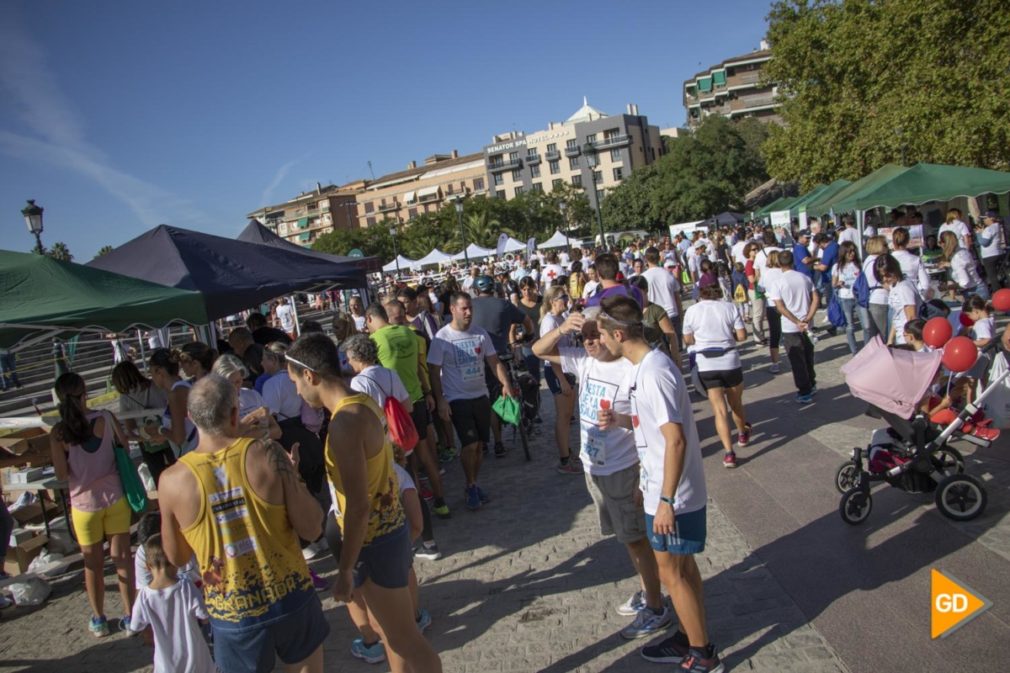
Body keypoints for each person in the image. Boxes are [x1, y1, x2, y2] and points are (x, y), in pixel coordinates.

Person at [285, 333, 444, 673]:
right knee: (395, 636)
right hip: (388, 531)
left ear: (310, 376)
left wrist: (344, 570)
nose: (296, 392)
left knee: (405, 639)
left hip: (373, 541)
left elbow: (358, 505)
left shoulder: (344, 422)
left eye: (296, 382)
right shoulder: (359, 401)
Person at [158, 376, 328, 673]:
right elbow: (313, 528)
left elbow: (177, 557)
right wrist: (295, 481)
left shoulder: (171, 481)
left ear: (189, 418)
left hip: (232, 611)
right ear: (235, 413)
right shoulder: (268, 453)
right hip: (291, 597)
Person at [594, 295, 723, 673]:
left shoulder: (654, 371)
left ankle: (703, 654)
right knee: (682, 569)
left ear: (619, 333)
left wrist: (665, 498)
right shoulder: (642, 368)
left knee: (673, 573)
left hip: (675, 495)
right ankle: (688, 635)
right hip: (658, 488)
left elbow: (676, 439)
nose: (600, 341)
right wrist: (621, 421)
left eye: (602, 334)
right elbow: (651, 428)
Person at [531, 308, 671, 636]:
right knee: (628, 539)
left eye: (596, 335)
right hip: (594, 466)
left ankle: (656, 605)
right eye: (584, 337)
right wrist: (563, 327)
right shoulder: (583, 360)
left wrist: (646, 478)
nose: (590, 342)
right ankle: (648, 591)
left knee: (637, 540)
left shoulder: (631, 368)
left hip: (624, 469)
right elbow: (538, 350)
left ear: (610, 334)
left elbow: (653, 426)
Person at [50, 373, 136, 637]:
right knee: (123, 559)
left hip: (84, 505)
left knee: (93, 565)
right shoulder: (106, 418)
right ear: (85, 392)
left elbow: (62, 475)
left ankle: (99, 618)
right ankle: (130, 615)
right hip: (115, 497)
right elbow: (124, 444)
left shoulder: (58, 432)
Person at [427, 292, 514, 511]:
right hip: (457, 398)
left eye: (470, 308)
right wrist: (440, 400)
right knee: (470, 444)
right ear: (452, 309)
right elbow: (433, 370)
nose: (468, 312)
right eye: (464, 308)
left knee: (480, 447)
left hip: (480, 395)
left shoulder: (480, 334)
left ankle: (472, 484)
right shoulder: (442, 338)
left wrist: (505, 383)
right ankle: (471, 484)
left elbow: (494, 362)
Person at [367, 303, 450, 518]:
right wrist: (428, 392)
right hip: (417, 400)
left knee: (403, 460)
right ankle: (441, 501)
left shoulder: (374, 341)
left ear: (369, 319)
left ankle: (415, 511)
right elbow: (418, 367)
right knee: (426, 454)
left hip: (395, 409)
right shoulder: (409, 333)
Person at [682, 284, 750, 468]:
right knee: (736, 404)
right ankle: (742, 433)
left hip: (707, 364)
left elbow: (687, 339)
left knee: (719, 411)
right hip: (730, 361)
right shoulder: (729, 307)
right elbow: (742, 336)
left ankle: (729, 453)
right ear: (718, 293)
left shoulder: (692, 311)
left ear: (699, 295)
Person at [127, 533, 216, 673]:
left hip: (165, 664)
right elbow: (204, 616)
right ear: (175, 562)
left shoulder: (144, 596)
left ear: (147, 567)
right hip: (195, 658)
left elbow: (135, 625)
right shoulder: (186, 586)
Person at [470, 274, 534, 457]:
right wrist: (528, 336)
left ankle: (485, 441)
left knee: (484, 398)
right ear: (494, 288)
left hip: (478, 357)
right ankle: (499, 441)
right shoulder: (504, 305)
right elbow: (527, 321)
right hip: (502, 355)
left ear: (476, 290)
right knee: (502, 393)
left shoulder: (470, 306)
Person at [111, 361, 176, 485]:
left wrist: (144, 438)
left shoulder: (126, 398)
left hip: (147, 441)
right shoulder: (156, 386)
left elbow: (130, 427)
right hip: (168, 433)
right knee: (179, 467)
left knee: (159, 477)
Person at [769, 250, 819, 404]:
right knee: (808, 356)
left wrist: (796, 320)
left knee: (797, 360)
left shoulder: (778, 282)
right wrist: (808, 317)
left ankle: (804, 391)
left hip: (791, 326)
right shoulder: (804, 278)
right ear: (793, 262)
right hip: (806, 323)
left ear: (779, 263)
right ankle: (811, 383)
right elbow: (816, 298)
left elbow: (780, 306)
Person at [540, 286, 580, 474]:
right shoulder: (549, 322)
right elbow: (549, 353)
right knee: (563, 417)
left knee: (568, 415)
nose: (567, 299)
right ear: (552, 301)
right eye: (563, 297)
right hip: (557, 371)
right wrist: (562, 380)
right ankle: (564, 460)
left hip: (566, 370)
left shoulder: (561, 318)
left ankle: (567, 450)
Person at [212, 354, 282, 442]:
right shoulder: (215, 404)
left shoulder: (251, 395)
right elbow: (226, 439)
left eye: (238, 381)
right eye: (229, 383)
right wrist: (253, 418)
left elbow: (277, 432)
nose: (235, 387)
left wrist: (252, 433)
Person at [148, 349, 198, 457]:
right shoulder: (181, 387)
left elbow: (179, 438)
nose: (152, 379)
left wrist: (160, 430)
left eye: (151, 373)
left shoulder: (176, 393)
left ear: (160, 372)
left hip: (192, 455)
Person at [641, 246, 684, 345]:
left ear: (646, 260)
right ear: (659, 258)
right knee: (676, 349)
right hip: (672, 314)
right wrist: (681, 317)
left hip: (654, 318)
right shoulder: (668, 274)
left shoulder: (644, 277)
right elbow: (677, 298)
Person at [832, 242, 863, 355]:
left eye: (853, 251)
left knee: (866, 325)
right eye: (849, 251)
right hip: (845, 297)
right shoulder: (837, 267)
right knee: (850, 325)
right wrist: (839, 283)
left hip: (859, 297)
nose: (852, 254)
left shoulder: (859, 265)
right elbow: (833, 283)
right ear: (844, 253)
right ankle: (854, 351)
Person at [940, 230, 988, 300]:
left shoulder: (956, 258)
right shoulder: (963, 251)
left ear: (943, 244)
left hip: (973, 293)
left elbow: (964, 283)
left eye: (940, 242)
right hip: (979, 287)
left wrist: (946, 287)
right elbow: (965, 265)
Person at [862, 236, 891, 343]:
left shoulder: (868, 260)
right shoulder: (877, 261)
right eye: (885, 245)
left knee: (875, 335)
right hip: (880, 299)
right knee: (884, 334)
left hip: (872, 299)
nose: (887, 247)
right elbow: (883, 282)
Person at [890, 227, 931, 298]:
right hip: (912, 295)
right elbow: (925, 284)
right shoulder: (916, 259)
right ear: (908, 241)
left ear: (893, 241)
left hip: (894, 296)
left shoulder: (887, 259)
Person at [743, 243, 767, 346]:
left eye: (757, 248)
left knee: (761, 315)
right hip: (754, 290)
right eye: (753, 249)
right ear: (748, 252)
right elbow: (751, 279)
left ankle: (761, 336)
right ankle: (758, 338)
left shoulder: (756, 261)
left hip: (760, 289)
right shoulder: (749, 263)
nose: (756, 251)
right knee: (757, 315)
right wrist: (759, 274)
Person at [977, 211, 1005, 293]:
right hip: (998, 253)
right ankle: (1004, 290)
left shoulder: (990, 228)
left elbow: (984, 243)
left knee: (992, 276)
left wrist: (978, 233)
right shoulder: (997, 226)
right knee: (998, 275)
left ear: (992, 218)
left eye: (986, 218)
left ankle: (998, 293)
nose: (984, 220)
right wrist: (982, 232)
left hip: (989, 255)